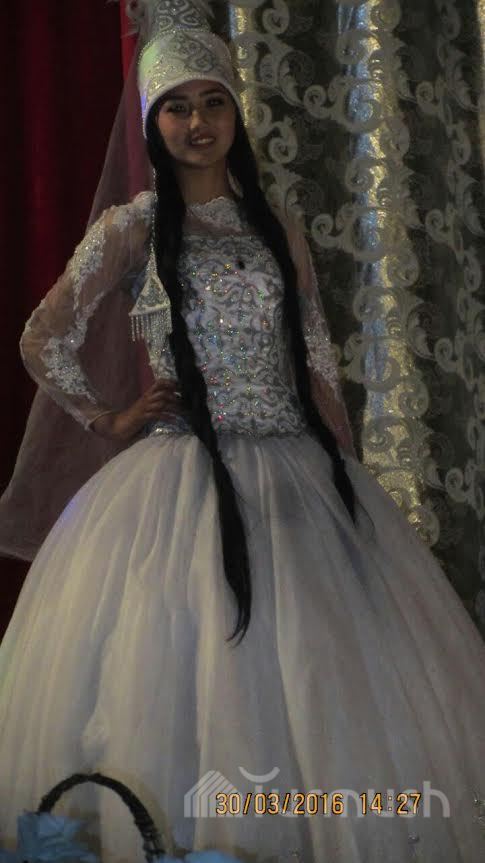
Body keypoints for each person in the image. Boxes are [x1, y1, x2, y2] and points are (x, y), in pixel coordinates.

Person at [1, 2, 485, 861]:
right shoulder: (133, 227)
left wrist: (340, 471)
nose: (197, 122)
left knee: (314, 666)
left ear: (234, 111)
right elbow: (45, 335)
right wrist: (109, 417)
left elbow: (314, 351)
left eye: (212, 102)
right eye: (177, 107)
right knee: (184, 667)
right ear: (152, 122)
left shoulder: (274, 223)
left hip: (294, 471)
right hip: (180, 484)